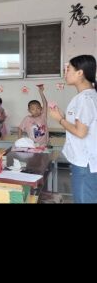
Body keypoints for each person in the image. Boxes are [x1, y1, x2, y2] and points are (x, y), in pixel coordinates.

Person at [49, 55, 97, 203]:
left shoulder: (84, 98)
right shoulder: (88, 95)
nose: (65, 73)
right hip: (86, 161)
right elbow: (82, 125)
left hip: (85, 162)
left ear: (80, 73)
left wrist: (60, 119)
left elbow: (80, 132)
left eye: (68, 69)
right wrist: (63, 117)